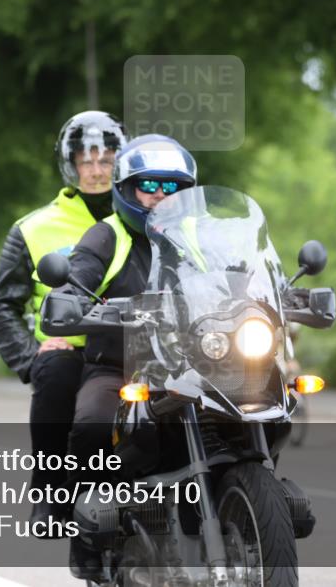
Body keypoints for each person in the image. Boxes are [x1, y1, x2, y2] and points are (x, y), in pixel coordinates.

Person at [57, 134, 198, 578]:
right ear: (126, 188)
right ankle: (87, 537)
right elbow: (76, 278)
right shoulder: (107, 236)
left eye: (171, 187)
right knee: (93, 422)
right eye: (149, 185)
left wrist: (279, 297)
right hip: (119, 367)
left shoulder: (197, 237)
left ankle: (246, 497)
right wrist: (70, 302)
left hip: (191, 367)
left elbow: (236, 277)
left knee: (258, 410)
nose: (160, 195)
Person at [0, 111, 127, 528]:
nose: (98, 170)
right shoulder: (33, 228)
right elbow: (0, 306)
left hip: (142, 346)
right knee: (56, 368)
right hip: (75, 352)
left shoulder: (151, 214)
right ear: (72, 165)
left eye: (107, 160)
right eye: (88, 161)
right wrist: (29, 355)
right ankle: (53, 491)